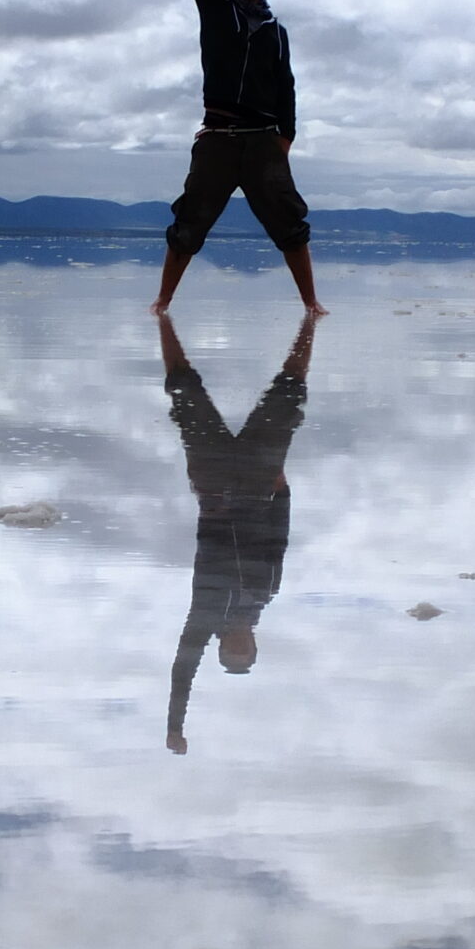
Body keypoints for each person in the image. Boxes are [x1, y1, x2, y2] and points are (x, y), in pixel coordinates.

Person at [152, 0, 324, 314]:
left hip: (264, 140)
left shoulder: (276, 31)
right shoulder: (214, 7)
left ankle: (311, 304)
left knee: (289, 222)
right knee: (190, 221)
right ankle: (163, 302)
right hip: (219, 137)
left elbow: (286, 86)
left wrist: (287, 135)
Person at [160, 311, 315, 754]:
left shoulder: (205, 617)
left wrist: (175, 725)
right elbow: (278, 540)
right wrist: (282, 492)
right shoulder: (267, 593)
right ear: (254, 645)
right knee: (290, 396)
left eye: (232, 650)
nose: (239, 643)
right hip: (257, 480)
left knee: (184, 393)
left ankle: (164, 322)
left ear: (222, 647)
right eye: (245, 649)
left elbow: (181, 670)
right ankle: (309, 323)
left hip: (213, 482)